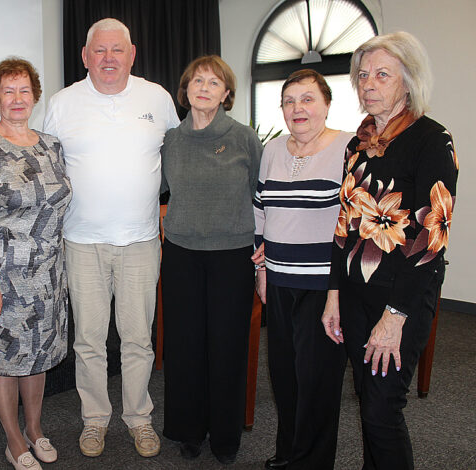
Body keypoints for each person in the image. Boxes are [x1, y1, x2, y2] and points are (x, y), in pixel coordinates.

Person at [43, 18, 179, 459]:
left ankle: (139, 418)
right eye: (99, 50)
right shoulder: (62, 104)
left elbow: (178, 158)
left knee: (138, 339)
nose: (108, 58)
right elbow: (45, 168)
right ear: (85, 56)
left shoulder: (156, 98)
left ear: (131, 54)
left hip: (141, 241)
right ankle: (95, 420)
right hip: (82, 242)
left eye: (116, 49)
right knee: (89, 341)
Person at [322, 31, 458, 470]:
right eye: (363, 75)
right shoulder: (358, 143)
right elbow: (344, 225)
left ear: (408, 81)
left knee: (382, 410)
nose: (368, 84)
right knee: (367, 399)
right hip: (355, 291)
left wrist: (395, 315)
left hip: (402, 295)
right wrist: (333, 295)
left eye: (382, 74)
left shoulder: (431, 140)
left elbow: (432, 236)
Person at [0, 58, 71, 470]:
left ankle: (35, 428)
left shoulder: (51, 146)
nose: (17, 98)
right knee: (5, 360)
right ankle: (13, 440)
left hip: (47, 275)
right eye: (8, 91)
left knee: (37, 355)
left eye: (24, 90)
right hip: (3, 277)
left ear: (35, 96)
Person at [160, 55, 262, 464]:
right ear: (185, 90)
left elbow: (260, 193)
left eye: (213, 82)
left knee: (227, 346)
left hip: (231, 257)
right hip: (181, 255)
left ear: (226, 94)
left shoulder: (243, 138)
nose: (204, 87)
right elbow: (159, 189)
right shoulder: (171, 140)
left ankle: (225, 434)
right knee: (184, 346)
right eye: (197, 81)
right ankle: (188, 429)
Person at [253, 69, 351, 470]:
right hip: (278, 280)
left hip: (324, 286)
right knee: (285, 376)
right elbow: (261, 210)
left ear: (327, 104)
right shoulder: (273, 149)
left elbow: (354, 223)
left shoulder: (349, 148)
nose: (298, 108)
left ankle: (312, 463)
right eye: (290, 101)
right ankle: (289, 453)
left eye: (308, 99)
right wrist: (261, 269)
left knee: (317, 382)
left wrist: (339, 290)